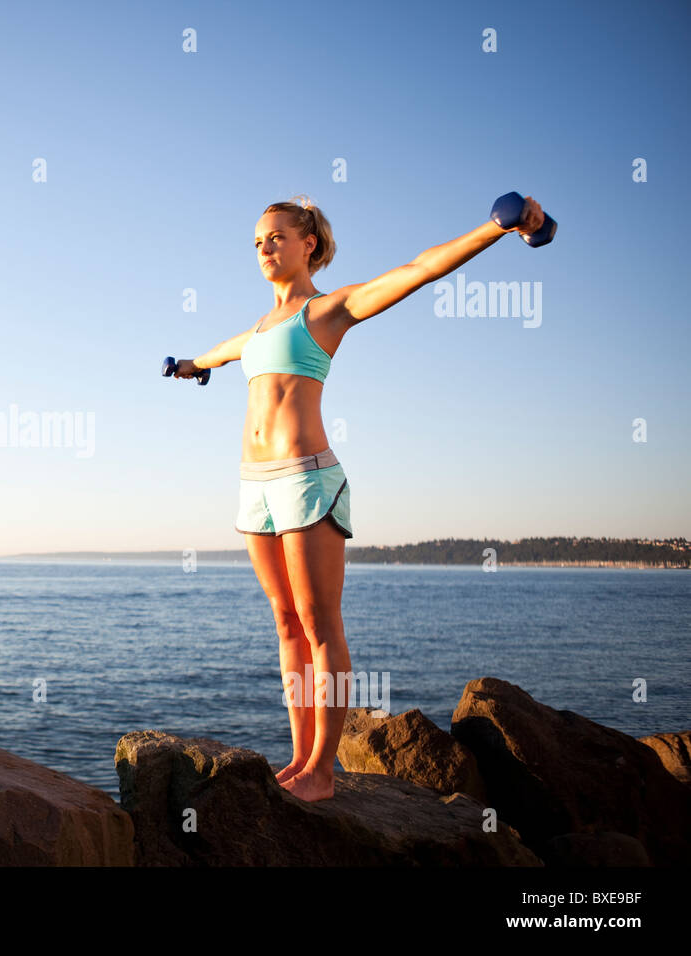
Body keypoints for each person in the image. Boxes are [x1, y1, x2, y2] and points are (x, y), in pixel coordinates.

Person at [171, 193, 545, 801]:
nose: (265, 249)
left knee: (320, 627)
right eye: (258, 242)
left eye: (277, 238)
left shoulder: (329, 309)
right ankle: (298, 759)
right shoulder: (259, 328)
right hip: (254, 487)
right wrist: (191, 365)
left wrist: (498, 227)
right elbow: (221, 351)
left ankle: (323, 770)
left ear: (308, 244)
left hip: (307, 480)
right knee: (286, 625)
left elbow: (418, 270)